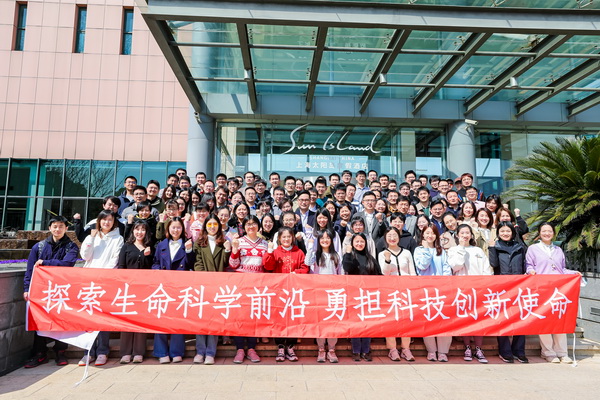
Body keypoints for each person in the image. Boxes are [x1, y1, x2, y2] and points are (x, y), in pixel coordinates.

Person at [23, 216, 79, 368]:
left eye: (61, 226)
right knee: (40, 321)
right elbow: (30, 270)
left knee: (61, 320)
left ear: (66, 228)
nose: (57, 229)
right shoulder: (39, 247)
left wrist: (45, 263)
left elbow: (67, 264)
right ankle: (40, 353)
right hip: (41, 291)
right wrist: (26, 289)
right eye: (55, 226)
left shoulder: (71, 247)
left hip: (62, 290)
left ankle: (60, 352)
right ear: (49, 228)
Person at [526, 222, 580, 364]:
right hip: (542, 290)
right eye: (544, 231)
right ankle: (548, 352)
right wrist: (531, 271)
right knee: (544, 321)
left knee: (559, 320)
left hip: (558, 290)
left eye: (549, 231)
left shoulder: (558, 249)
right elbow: (529, 266)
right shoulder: (533, 249)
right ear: (539, 233)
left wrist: (574, 273)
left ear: (553, 233)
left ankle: (562, 352)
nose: (547, 233)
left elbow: (562, 269)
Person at [79, 210, 125, 366]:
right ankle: (88, 352)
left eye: (110, 220)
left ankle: (102, 351)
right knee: (89, 319)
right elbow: (85, 256)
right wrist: (91, 238)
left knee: (103, 318)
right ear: (99, 221)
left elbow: (115, 259)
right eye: (104, 219)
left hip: (106, 282)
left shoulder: (118, 238)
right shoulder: (91, 236)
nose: (107, 222)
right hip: (89, 282)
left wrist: (104, 276)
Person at [448, 224, 493, 364]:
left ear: (471, 235)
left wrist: (484, 286)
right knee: (465, 319)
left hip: (478, 290)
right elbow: (456, 267)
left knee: (479, 320)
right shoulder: (453, 250)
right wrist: (461, 248)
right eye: (462, 233)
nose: (465, 235)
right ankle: (467, 347)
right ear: (457, 235)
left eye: (467, 233)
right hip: (462, 291)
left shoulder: (478, 250)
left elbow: (486, 270)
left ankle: (479, 349)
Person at [152, 217, 195, 364]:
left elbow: (191, 264)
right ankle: (161, 352)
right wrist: (158, 272)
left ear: (183, 229)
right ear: (168, 229)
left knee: (178, 320)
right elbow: (155, 262)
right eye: (173, 227)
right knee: (161, 318)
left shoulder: (187, 244)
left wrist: (189, 250)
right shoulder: (161, 245)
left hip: (180, 287)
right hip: (163, 286)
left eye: (178, 227)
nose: (175, 230)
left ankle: (176, 351)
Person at [263, 227, 309, 362]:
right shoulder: (275, 252)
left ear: (293, 238)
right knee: (279, 319)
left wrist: (296, 273)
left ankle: (291, 346)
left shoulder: (299, 252)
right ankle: (280, 346)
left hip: (294, 292)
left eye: (289, 236)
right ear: (279, 239)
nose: (286, 239)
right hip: (279, 292)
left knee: (293, 318)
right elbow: (268, 266)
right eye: (284, 237)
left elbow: (305, 268)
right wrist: (269, 252)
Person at [228, 215, 268, 363]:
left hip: (257, 286)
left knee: (253, 317)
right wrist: (235, 249)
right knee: (239, 317)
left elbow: (267, 265)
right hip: (242, 285)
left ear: (258, 226)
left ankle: (251, 348)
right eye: (248, 224)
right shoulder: (239, 242)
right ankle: (239, 349)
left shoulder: (265, 244)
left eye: (253, 224)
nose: (251, 227)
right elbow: (233, 265)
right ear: (243, 227)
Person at [193, 215, 231, 365]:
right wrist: (206, 280)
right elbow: (197, 263)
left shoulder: (223, 242)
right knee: (201, 319)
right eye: (209, 225)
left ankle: (210, 352)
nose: (212, 227)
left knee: (214, 320)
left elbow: (226, 263)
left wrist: (227, 250)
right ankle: (200, 351)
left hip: (219, 286)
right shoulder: (199, 243)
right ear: (205, 227)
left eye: (215, 224)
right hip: (203, 286)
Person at [489, 221, 528, 363]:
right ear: (498, 233)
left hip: (519, 287)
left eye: (508, 231)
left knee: (520, 319)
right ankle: (505, 351)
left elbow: (525, 266)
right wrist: (491, 248)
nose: (505, 233)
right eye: (502, 231)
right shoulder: (495, 246)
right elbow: (494, 264)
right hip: (501, 288)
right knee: (503, 319)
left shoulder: (520, 247)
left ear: (512, 232)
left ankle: (519, 351)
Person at [414, 223, 452, 362]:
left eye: (433, 233)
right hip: (425, 291)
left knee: (444, 321)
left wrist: (444, 285)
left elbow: (447, 269)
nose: (430, 236)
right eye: (427, 233)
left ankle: (443, 352)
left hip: (441, 290)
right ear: (423, 235)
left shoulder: (441, 251)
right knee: (428, 320)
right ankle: (431, 351)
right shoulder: (419, 250)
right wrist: (426, 250)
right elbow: (422, 265)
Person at [117, 220, 153, 364]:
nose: (140, 232)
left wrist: (148, 256)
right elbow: (121, 267)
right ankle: (126, 352)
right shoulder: (126, 246)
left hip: (144, 290)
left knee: (140, 321)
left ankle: (138, 352)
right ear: (133, 231)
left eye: (143, 229)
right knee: (127, 319)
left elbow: (152, 269)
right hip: (128, 289)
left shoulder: (150, 247)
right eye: (137, 229)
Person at [378, 227, 417, 362]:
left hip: (406, 291)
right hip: (390, 291)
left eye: (395, 235)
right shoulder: (382, 254)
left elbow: (412, 272)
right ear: (385, 238)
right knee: (391, 320)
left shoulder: (406, 253)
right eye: (389, 235)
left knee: (406, 320)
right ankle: (392, 349)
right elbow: (384, 273)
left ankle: (406, 348)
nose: (392, 238)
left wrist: (413, 288)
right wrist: (388, 260)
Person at [343, 232, 382, 361]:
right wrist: (348, 253)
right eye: (357, 241)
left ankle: (366, 350)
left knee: (367, 324)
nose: (359, 244)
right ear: (352, 243)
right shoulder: (349, 256)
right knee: (355, 323)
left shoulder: (370, 258)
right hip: (354, 296)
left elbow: (378, 275)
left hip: (368, 296)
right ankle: (355, 350)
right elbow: (347, 267)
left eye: (362, 241)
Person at [305, 229, 341, 362]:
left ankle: (331, 349)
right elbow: (307, 262)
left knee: (332, 322)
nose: (325, 240)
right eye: (322, 238)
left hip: (333, 293)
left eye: (327, 238)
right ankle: (321, 349)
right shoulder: (316, 255)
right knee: (320, 322)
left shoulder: (336, 255)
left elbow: (340, 273)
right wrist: (310, 246)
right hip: (319, 293)